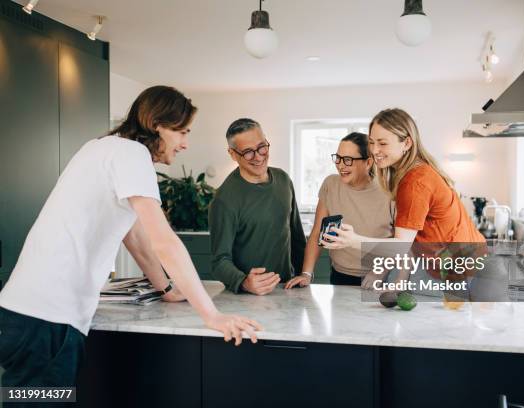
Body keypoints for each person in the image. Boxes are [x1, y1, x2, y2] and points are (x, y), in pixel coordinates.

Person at [0, 86, 261, 389]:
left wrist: (166, 288)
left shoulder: (102, 147)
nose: (185, 144)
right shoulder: (133, 154)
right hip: (49, 321)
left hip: (21, 313)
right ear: (158, 126)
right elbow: (164, 241)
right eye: (182, 132)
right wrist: (212, 315)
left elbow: (134, 236)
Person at [321, 108, 484, 260]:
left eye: (382, 143)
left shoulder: (415, 182)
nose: (374, 150)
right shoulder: (414, 172)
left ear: (406, 143)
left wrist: (353, 240)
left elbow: (400, 247)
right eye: (371, 142)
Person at [209, 118, 306, 295]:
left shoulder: (283, 180)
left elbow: (297, 238)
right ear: (232, 154)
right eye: (248, 152)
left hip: (287, 290)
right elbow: (219, 261)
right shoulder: (224, 200)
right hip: (248, 297)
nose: (259, 156)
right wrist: (245, 282)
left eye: (262, 147)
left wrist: (305, 274)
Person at [285, 132, 394, 288]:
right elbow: (317, 232)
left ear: (368, 162)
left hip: (379, 276)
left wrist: (381, 270)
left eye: (348, 160)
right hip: (339, 275)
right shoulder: (331, 184)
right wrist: (306, 274)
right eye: (338, 158)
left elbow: (402, 241)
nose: (340, 165)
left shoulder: (389, 191)